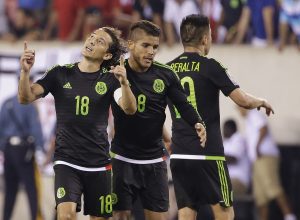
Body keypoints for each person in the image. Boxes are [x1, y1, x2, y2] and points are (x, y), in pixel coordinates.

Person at [18, 27, 137, 220]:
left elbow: (129, 108)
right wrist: (25, 72)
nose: (91, 41)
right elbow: (25, 97)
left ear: (107, 55)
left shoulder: (110, 79)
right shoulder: (59, 74)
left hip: (99, 164)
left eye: (100, 41)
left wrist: (125, 83)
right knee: (66, 215)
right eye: (91, 36)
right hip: (66, 160)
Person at [166, 14, 274, 220]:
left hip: (180, 154)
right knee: (225, 214)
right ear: (205, 39)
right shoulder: (210, 66)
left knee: (186, 214)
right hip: (209, 156)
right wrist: (261, 100)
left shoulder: (168, 69)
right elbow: (243, 100)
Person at [110, 20, 206, 220]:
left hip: (153, 160)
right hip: (122, 158)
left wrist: (197, 122)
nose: (151, 51)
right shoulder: (115, 73)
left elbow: (183, 104)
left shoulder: (165, 75)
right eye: (146, 45)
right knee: (121, 217)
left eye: (155, 47)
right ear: (131, 45)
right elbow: (121, 108)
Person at [238, 108, 297, 220]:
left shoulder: (254, 114)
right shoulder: (249, 120)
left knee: (273, 187)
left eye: (239, 108)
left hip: (265, 156)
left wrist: (257, 146)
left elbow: (263, 128)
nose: (239, 111)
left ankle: (289, 216)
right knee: (260, 196)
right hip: (256, 160)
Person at [0, 77, 44, 220]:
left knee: (10, 190)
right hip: (24, 150)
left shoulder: (7, 103)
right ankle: (33, 217)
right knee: (31, 189)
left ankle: (6, 218)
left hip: (8, 150)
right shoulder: (29, 104)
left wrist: (4, 147)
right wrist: (39, 148)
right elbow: (35, 128)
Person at [223, 119, 250, 197]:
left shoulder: (238, 138)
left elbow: (233, 159)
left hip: (239, 180)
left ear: (231, 129)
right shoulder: (226, 142)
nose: (223, 131)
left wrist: (215, 156)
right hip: (227, 180)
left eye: (225, 128)